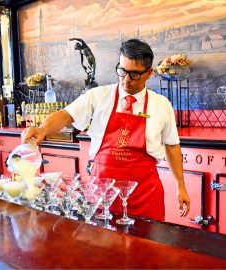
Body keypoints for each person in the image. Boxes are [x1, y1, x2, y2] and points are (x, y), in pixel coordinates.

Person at [22, 39, 190, 221]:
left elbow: (172, 147)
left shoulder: (161, 105)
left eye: (134, 74)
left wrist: (181, 185)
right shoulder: (98, 96)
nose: (126, 79)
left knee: (147, 247)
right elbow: (66, 114)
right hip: (102, 192)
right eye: (122, 71)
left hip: (144, 194)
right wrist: (42, 129)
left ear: (149, 73)